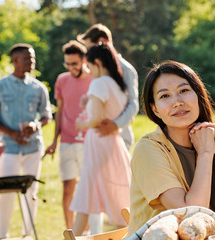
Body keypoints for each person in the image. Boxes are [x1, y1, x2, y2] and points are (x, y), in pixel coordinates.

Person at [125, 60, 215, 238]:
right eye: (165, 96)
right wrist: (205, 154)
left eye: (184, 91)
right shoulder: (148, 149)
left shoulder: (208, 142)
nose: (177, 102)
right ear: (155, 109)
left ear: (198, 96)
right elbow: (191, 218)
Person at [0, 43, 52, 239]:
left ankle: (27, 235)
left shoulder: (39, 88)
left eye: (33, 58)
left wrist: (36, 125)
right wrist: (12, 133)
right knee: (6, 192)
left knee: (31, 192)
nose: (32, 61)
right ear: (15, 61)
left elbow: (47, 116)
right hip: (8, 148)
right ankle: (2, 236)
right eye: (27, 58)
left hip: (33, 148)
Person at [70, 44, 131, 235]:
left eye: (89, 66)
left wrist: (83, 125)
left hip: (98, 140)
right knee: (116, 191)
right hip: (113, 140)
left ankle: (75, 236)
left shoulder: (99, 83)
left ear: (97, 63)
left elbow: (96, 118)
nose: (87, 71)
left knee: (88, 188)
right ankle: (130, 234)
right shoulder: (117, 83)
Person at [44, 40, 94, 230]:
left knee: (86, 190)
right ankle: (71, 232)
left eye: (74, 63)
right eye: (67, 64)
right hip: (67, 142)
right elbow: (60, 112)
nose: (71, 67)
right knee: (67, 190)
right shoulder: (62, 80)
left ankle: (86, 232)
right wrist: (54, 141)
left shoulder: (94, 80)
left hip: (88, 142)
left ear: (83, 60)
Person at [77, 23, 138, 151]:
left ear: (102, 42)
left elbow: (133, 104)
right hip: (99, 138)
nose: (88, 53)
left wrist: (115, 125)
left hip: (120, 136)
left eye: (89, 47)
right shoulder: (97, 70)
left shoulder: (126, 69)